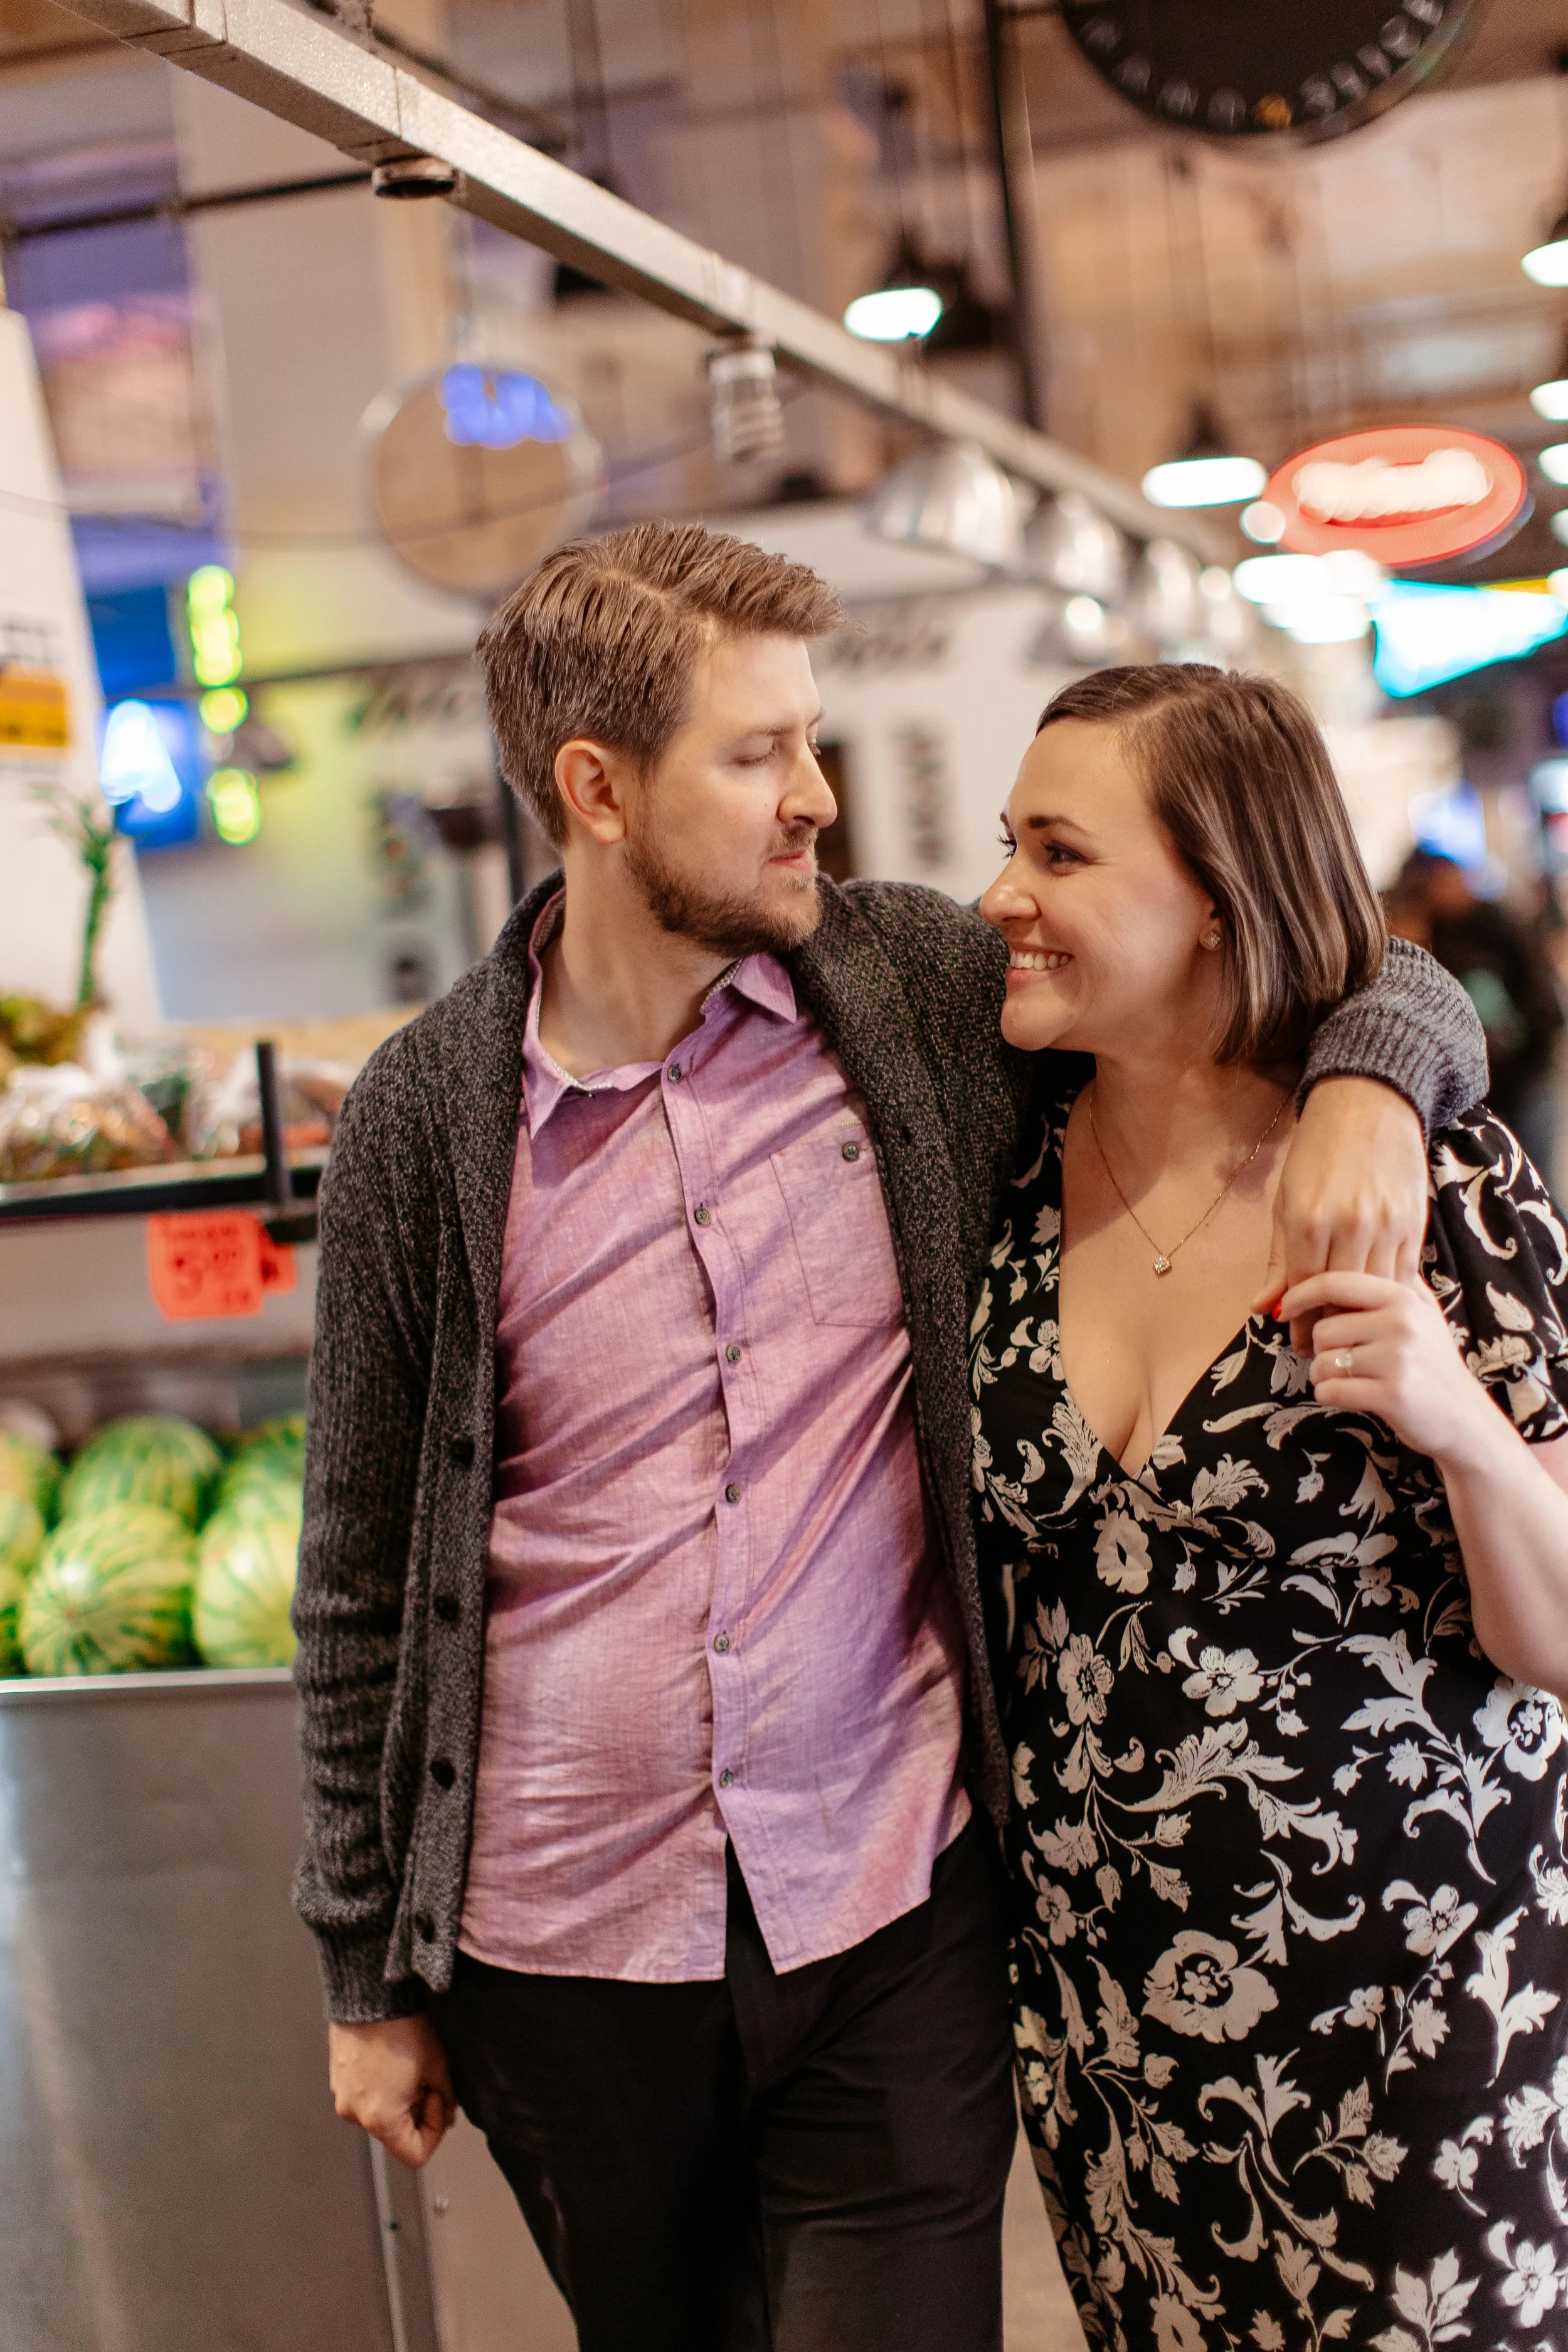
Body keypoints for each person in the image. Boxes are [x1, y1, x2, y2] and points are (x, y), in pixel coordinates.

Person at [292, 524, 1485, 2352]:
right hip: (560, 1943)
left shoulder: (917, 998)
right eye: (757, 752)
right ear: (596, 789)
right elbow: (359, 1562)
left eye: (812, 738)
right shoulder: (422, 1117)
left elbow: (1280, 968)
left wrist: (1374, 1075)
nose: (817, 798)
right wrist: (364, 1961)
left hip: (889, 1900)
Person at [971, 663, 1568, 2352]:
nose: (1002, 896)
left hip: (1415, 2013)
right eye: (1006, 841)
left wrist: (1452, 1414)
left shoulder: (1430, 1188)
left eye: (1060, 854)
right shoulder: (1002, 1154)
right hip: (1109, 2029)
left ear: (1220, 904)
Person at [1386, 846, 1564, 1194]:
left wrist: (1520, 1052)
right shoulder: (1436, 936)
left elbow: (1544, 1003)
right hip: (1486, 1093)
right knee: (1507, 1192)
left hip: (1528, 1079)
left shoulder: (1500, 926)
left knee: (1539, 1186)